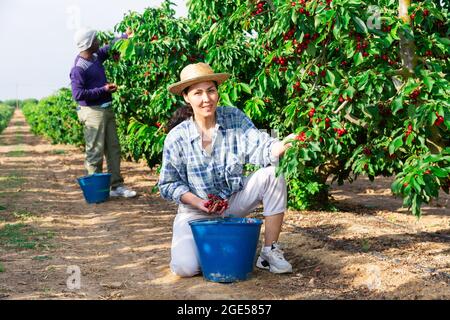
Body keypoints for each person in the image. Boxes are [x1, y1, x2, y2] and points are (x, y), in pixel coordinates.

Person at [159, 63, 297, 277]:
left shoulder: (233, 118)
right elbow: (168, 184)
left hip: (232, 201)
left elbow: (259, 144)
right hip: (196, 211)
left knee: (273, 174)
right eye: (198, 93)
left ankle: (269, 252)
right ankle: (221, 242)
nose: (207, 99)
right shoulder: (177, 137)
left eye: (211, 90)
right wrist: (198, 202)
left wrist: (280, 146)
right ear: (186, 97)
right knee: (185, 268)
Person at [70, 28, 136, 198]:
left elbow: (108, 48)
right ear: (89, 43)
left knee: (113, 148)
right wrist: (103, 89)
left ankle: (116, 186)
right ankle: (96, 189)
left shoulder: (95, 56)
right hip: (92, 112)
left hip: (106, 108)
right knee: (95, 151)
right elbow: (78, 95)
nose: (99, 42)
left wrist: (124, 36)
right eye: (96, 40)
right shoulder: (79, 68)